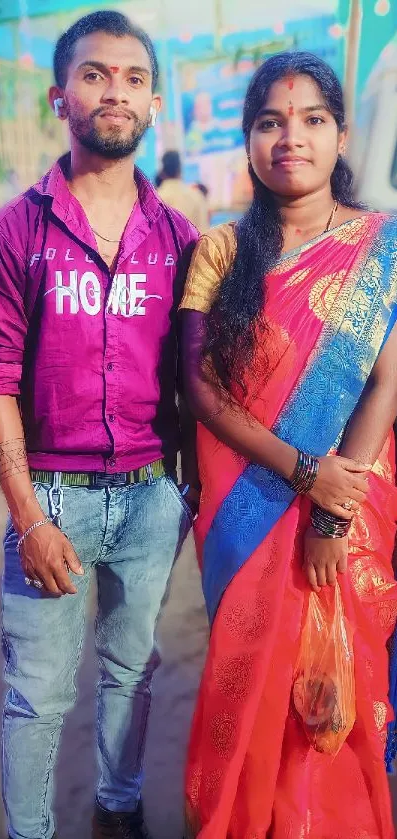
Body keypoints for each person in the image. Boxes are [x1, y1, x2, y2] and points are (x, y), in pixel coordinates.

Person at [179, 52, 397, 838]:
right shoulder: (222, 252)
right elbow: (200, 389)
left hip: (347, 512)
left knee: (333, 698)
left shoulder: (383, 247)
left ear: (341, 135)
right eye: (269, 121)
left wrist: (331, 516)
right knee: (258, 686)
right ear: (247, 139)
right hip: (255, 512)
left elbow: (383, 383)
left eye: (310, 120)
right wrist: (303, 473)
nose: (289, 138)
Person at [0, 10, 200, 839]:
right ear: (59, 96)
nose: (114, 90)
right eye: (94, 74)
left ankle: (118, 812)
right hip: (49, 496)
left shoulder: (180, 238)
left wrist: (183, 493)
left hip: (151, 498)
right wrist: (28, 515)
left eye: (133, 77)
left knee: (131, 672)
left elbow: (198, 380)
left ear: (153, 104)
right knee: (36, 693)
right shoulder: (17, 230)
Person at [157, 150, 209, 232]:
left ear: (162, 172)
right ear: (179, 170)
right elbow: (204, 234)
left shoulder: (154, 199)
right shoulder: (197, 196)